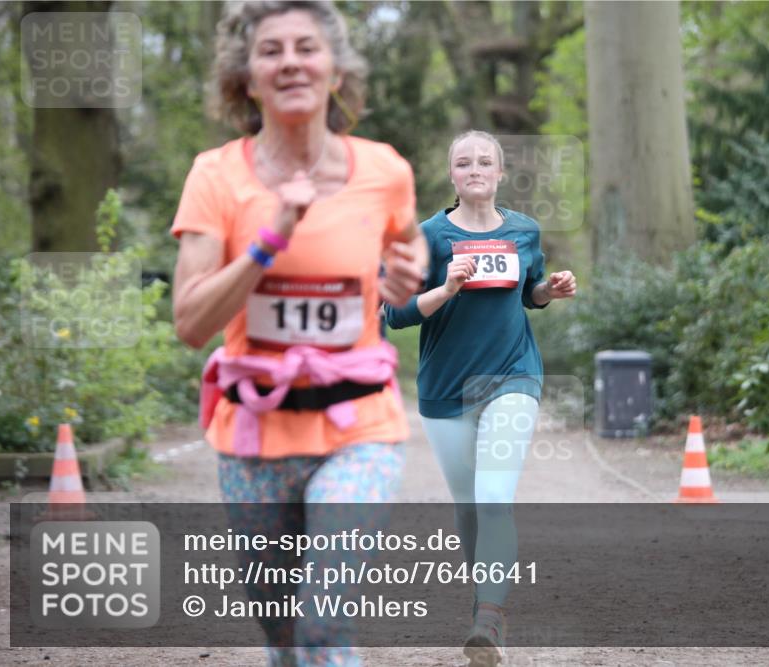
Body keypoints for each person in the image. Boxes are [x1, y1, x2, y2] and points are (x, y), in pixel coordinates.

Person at [171, 2, 427, 665]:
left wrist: (408, 276)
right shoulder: (216, 176)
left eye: (307, 48)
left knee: (321, 623)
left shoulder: (384, 171)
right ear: (248, 79)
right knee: (282, 633)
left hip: (360, 426)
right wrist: (266, 244)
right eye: (271, 50)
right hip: (255, 435)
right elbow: (191, 322)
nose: (290, 61)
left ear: (336, 70)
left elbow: (407, 253)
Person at [384, 130, 577, 665]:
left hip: (514, 375)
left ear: (499, 173)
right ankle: (483, 602)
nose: (475, 169)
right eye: (464, 162)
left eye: (484, 161)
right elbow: (393, 313)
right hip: (446, 387)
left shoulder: (525, 230)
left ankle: (489, 617)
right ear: (452, 175)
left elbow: (529, 294)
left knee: (493, 497)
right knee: (469, 505)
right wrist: (445, 289)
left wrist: (549, 290)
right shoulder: (427, 237)